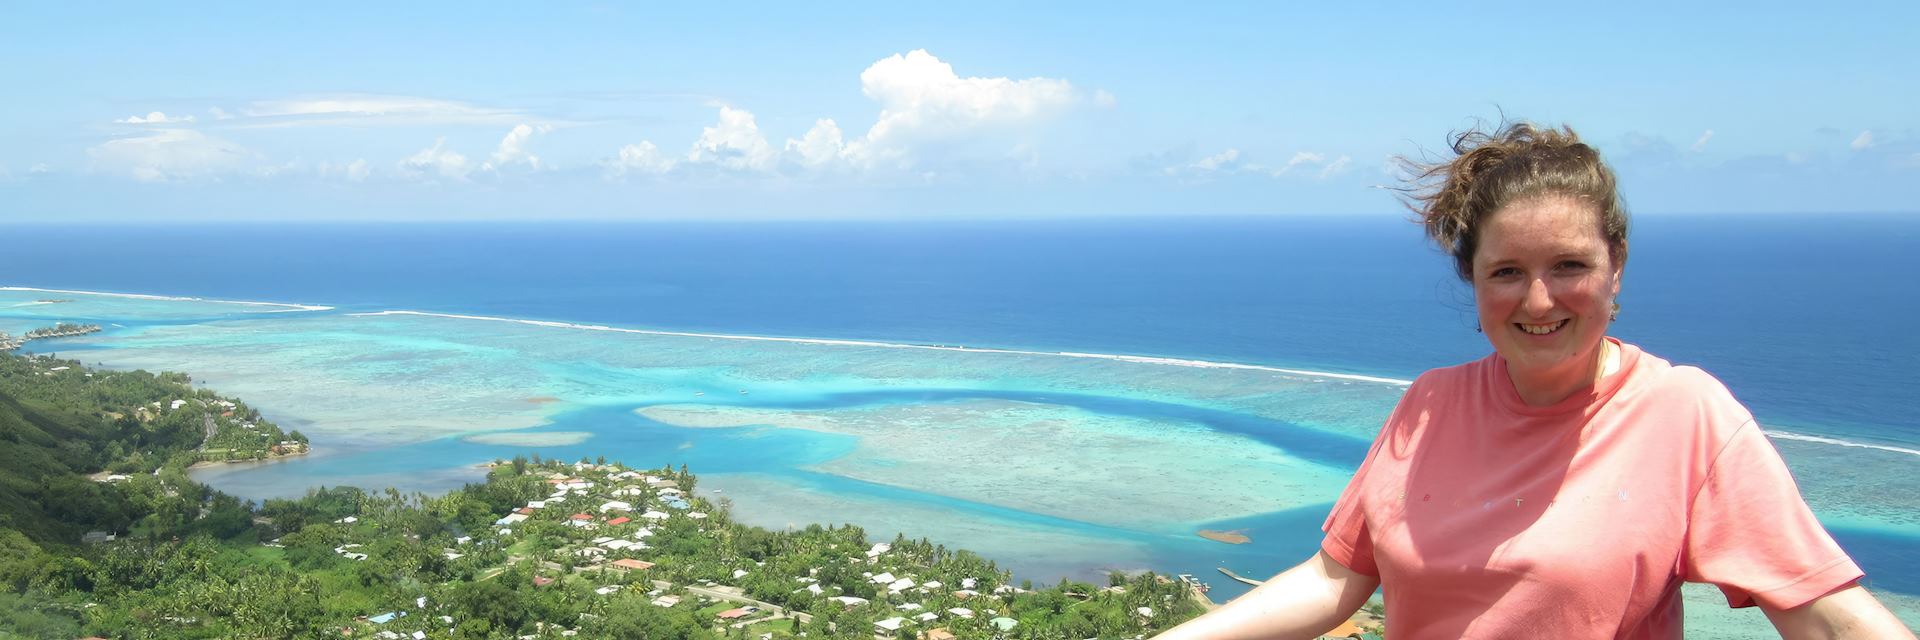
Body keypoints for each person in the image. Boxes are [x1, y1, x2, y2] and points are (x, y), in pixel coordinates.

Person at [1153, 122, 1914, 639]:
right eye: (1508, 272)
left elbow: (1821, 613)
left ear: (1616, 267)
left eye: (1570, 267)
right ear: (1473, 282)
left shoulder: (1685, 414)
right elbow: (1334, 580)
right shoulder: (1430, 404)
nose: (1540, 300)